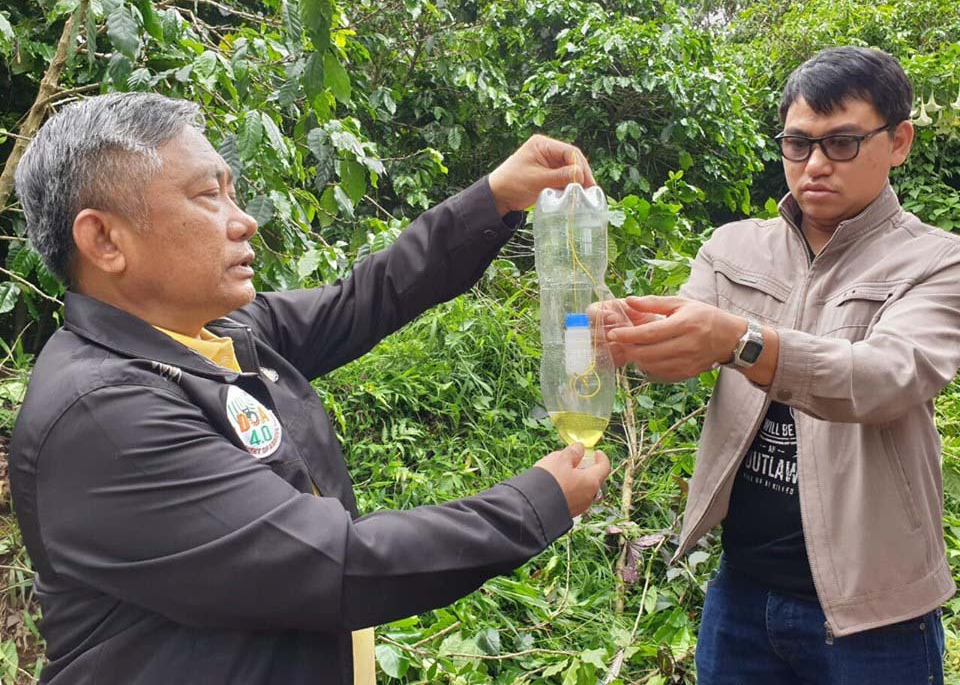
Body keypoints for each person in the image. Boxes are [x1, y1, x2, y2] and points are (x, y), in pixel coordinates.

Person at [9, 92, 611, 685]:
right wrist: (537, 502)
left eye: (232, 191)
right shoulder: (105, 414)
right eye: (206, 196)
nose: (243, 221)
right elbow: (336, 565)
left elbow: (364, 300)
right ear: (105, 241)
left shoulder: (216, 332)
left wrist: (495, 197)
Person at [606, 46, 959, 684]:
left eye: (842, 142)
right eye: (798, 144)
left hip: (875, 614)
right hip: (741, 595)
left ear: (899, 140)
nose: (815, 165)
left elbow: (886, 376)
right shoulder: (733, 247)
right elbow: (682, 352)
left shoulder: (937, 262)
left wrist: (741, 340)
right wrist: (627, 336)